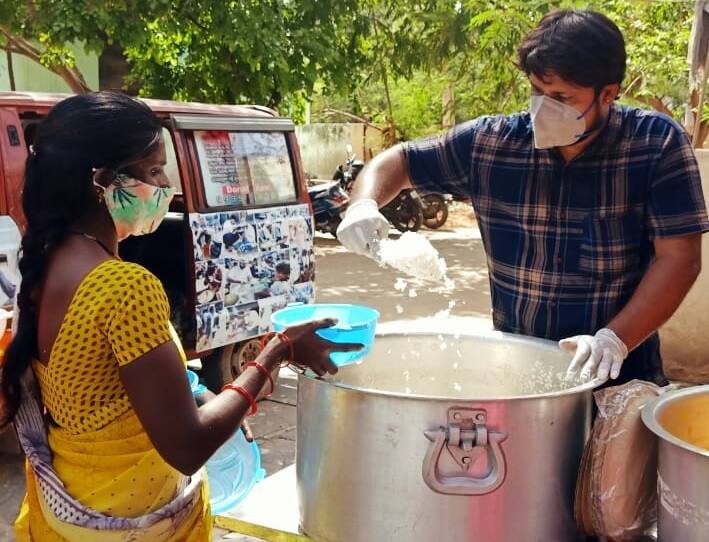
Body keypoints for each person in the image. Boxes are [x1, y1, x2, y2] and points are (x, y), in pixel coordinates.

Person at [0, 92, 361, 542]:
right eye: (154, 171)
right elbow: (187, 448)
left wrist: (192, 392)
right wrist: (276, 352)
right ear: (105, 181)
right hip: (133, 523)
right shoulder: (125, 288)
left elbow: (100, 391)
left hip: (71, 514)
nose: (166, 185)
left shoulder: (43, 264)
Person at [337, 9, 709, 386]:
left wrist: (614, 340)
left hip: (620, 376)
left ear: (608, 94)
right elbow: (399, 160)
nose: (543, 108)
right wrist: (363, 204)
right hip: (519, 375)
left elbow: (679, 259)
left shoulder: (654, 145)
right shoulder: (492, 145)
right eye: (537, 91)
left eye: (562, 96)